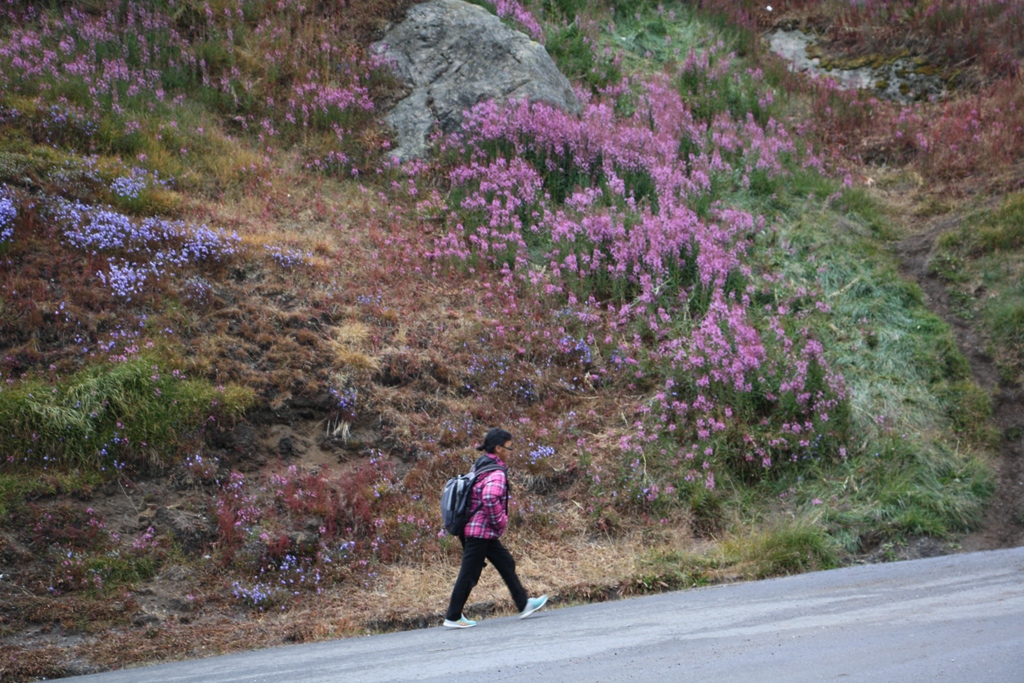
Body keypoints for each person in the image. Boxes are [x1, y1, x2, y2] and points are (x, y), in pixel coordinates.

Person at [444, 427, 548, 628]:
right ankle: (453, 616)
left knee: (505, 561)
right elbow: (490, 498)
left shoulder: (481, 465)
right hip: (480, 531)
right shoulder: (496, 472)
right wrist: (500, 521)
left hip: (480, 530)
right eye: (509, 448)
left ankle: (523, 603)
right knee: (469, 573)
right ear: (498, 448)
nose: (511, 451)